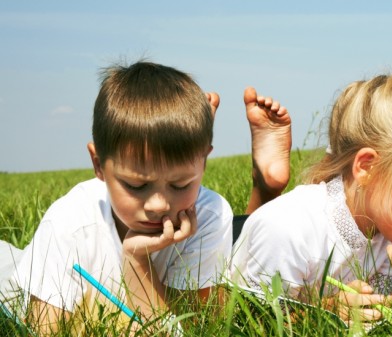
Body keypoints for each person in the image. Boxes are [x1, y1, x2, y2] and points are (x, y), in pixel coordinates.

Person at [0, 61, 292, 334]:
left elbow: (194, 329)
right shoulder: (69, 223)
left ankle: (250, 180)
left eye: (180, 184)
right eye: (136, 185)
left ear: (203, 164)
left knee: (248, 268)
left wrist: (137, 260)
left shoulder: (210, 213)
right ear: (98, 165)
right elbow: (45, 330)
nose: (159, 205)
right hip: (13, 276)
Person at [230, 74, 392, 322]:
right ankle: (265, 182)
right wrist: (324, 312)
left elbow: (379, 315)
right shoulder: (287, 229)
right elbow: (250, 321)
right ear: (367, 168)